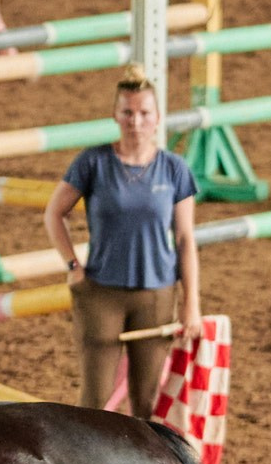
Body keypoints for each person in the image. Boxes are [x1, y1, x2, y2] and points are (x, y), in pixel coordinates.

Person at [41, 69, 202, 415]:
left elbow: (186, 239)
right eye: (127, 112)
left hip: (156, 295)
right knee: (94, 399)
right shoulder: (93, 162)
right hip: (100, 292)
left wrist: (191, 303)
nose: (135, 121)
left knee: (146, 401)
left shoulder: (175, 169)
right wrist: (72, 266)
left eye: (144, 113)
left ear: (157, 118)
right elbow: (54, 213)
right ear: (116, 115)